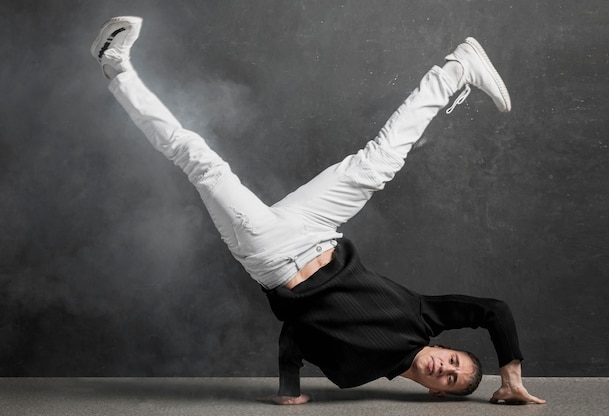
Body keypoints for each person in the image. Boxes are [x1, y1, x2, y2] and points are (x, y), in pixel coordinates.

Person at [91, 16, 545, 406]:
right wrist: (511, 377)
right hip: (318, 228)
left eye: (446, 377)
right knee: (378, 162)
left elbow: (296, 336)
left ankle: (115, 66)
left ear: (435, 393)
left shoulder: (353, 371)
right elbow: (494, 311)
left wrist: (289, 391)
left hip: (272, 255)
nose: (442, 367)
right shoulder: (424, 318)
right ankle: (456, 69)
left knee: (199, 159)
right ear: (444, 345)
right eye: (452, 360)